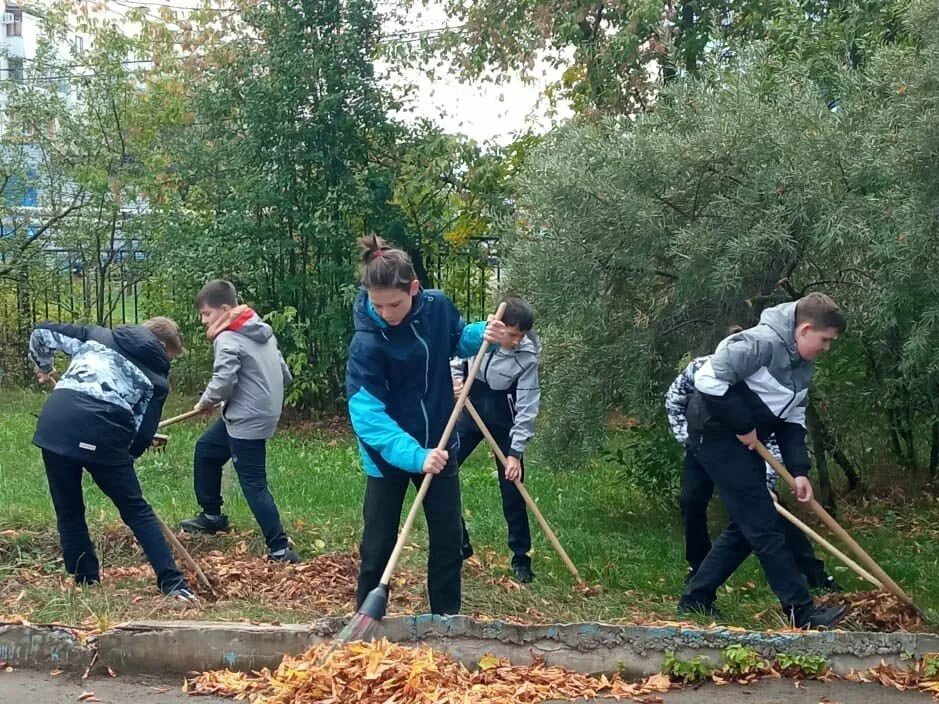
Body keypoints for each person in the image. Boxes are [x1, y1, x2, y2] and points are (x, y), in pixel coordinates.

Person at [345, 234, 505, 615]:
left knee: (448, 538)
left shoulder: (437, 307)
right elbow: (368, 419)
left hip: (440, 437)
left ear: (414, 289)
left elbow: (455, 340)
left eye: (394, 304)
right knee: (379, 543)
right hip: (388, 456)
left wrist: (484, 334)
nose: (385, 312)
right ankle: (366, 622)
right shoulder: (366, 344)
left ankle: (445, 621)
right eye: (376, 303)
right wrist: (416, 456)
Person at [677, 293, 848, 629]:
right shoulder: (759, 343)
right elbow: (708, 379)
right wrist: (743, 425)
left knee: (747, 526)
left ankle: (696, 598)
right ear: (805, 329)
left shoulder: (803, 364)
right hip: (715, 436)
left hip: (745, 443)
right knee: (764, 526)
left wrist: (799, 471)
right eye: (824, 340)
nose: (826, 348)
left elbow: (793, 417)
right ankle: (802, 612)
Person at [29, 317, 195, 601]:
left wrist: (44, 368)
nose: (168, 361)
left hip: (57, 424)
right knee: (136, 510)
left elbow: (41, 332)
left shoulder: (95, 336)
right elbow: (143, 433)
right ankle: (172, 582)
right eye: (170, 355)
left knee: (68, 508)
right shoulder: (157, 381)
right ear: (163, 345)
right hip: (105, 434)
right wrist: (125, 457)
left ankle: (86, 581)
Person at [666, 354, 841, 591]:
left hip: (746, 450)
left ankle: (814, 573)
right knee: (691, 500)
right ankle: (698, 566)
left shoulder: (766, 385)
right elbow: (674, 399)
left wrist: (766, 485)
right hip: (702, 442)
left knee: (766, 511)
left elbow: (775, 440)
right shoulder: (702, 368)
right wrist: (688, 439)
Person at [179, 280, 298, 563]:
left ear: (223, 309)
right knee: (207, 450)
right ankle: (212, 516)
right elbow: (283, 372)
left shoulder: (228, 337)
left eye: (207, 314)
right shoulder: (260, 329)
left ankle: (280, 548)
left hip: (247, 416)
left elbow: (224, 379)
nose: (203, 320)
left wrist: (206, 402)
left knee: (253, 481)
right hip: (255, 410)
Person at [451, 295, 541, 583]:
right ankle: (459, 541)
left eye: (521, 336)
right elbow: (454, 355)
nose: (516, 341)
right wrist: (455, 382)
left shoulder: (526, 357)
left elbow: (527, 403)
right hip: (471, 413)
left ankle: (521, 557)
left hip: (505, 423)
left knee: (513, 488)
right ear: (499, 325)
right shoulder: (480, 337)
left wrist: (515, 452)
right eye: (512, 334)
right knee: (442, 471)